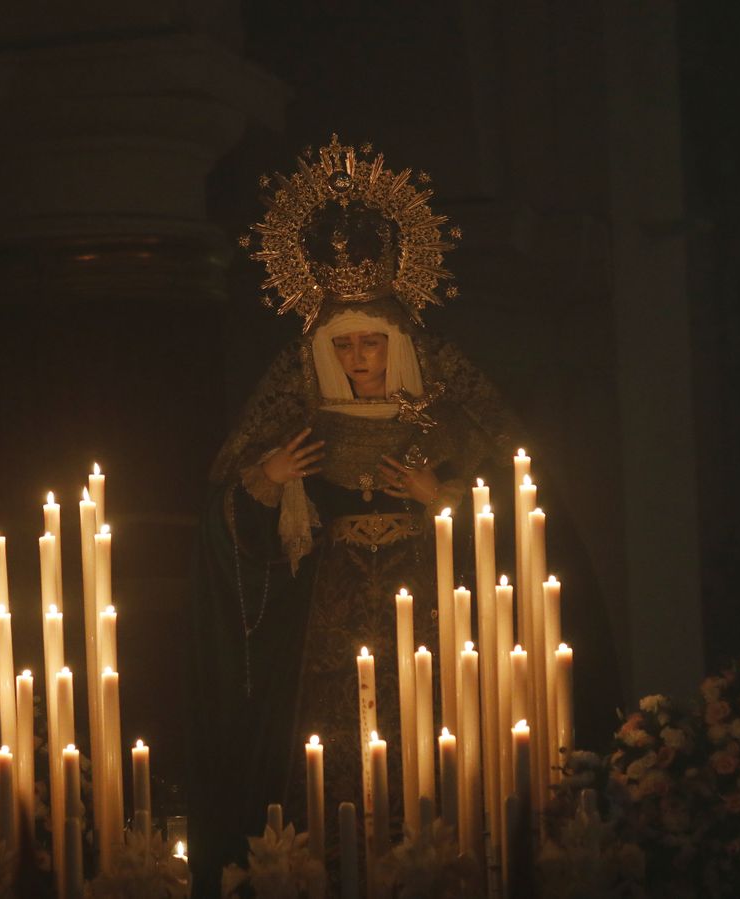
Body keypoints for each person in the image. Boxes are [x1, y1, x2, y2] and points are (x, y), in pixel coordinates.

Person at [187, 136, 521, 894]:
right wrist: (267, 482)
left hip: (434, 637)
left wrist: (448, 502)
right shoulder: (295, 430)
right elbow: (232, 545)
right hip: (321, 645)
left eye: (375, 342)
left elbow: (526, 530)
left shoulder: (450, 428)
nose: (361, 358)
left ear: (400, 346)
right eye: (346, 345)